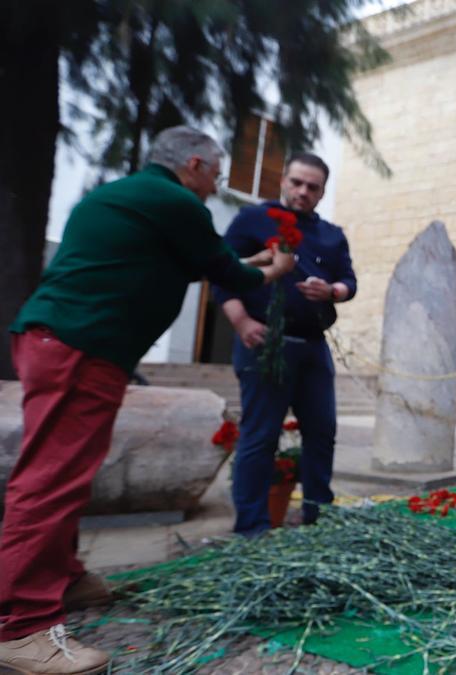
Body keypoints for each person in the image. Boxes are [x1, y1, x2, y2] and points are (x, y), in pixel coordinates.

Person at [0, 126, 295, 672]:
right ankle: (19, 626)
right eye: (215, 174)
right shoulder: (173, 201)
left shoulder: (123, 196)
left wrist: (246, 266)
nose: (215, 186)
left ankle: (62, 576)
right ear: (195, 165)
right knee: (48, 479)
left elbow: (200, 264)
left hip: (67, 341)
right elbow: (225, 270)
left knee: (67, 471)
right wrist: (273, 269)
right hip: (80, 345)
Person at [214, 152, 356, 536]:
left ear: (323, 191)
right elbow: (222, 273)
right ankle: (252, 528)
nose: (303, 192)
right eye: (297, 183)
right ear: (283, 181)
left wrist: (332, 290)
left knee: (322, 432)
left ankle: (317, 519)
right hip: (265, 343)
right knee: (260, 437)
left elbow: (349, 282)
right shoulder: (253, 220)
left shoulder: (331, 234)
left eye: (313, 187)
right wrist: (240, 321)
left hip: (313, 345)